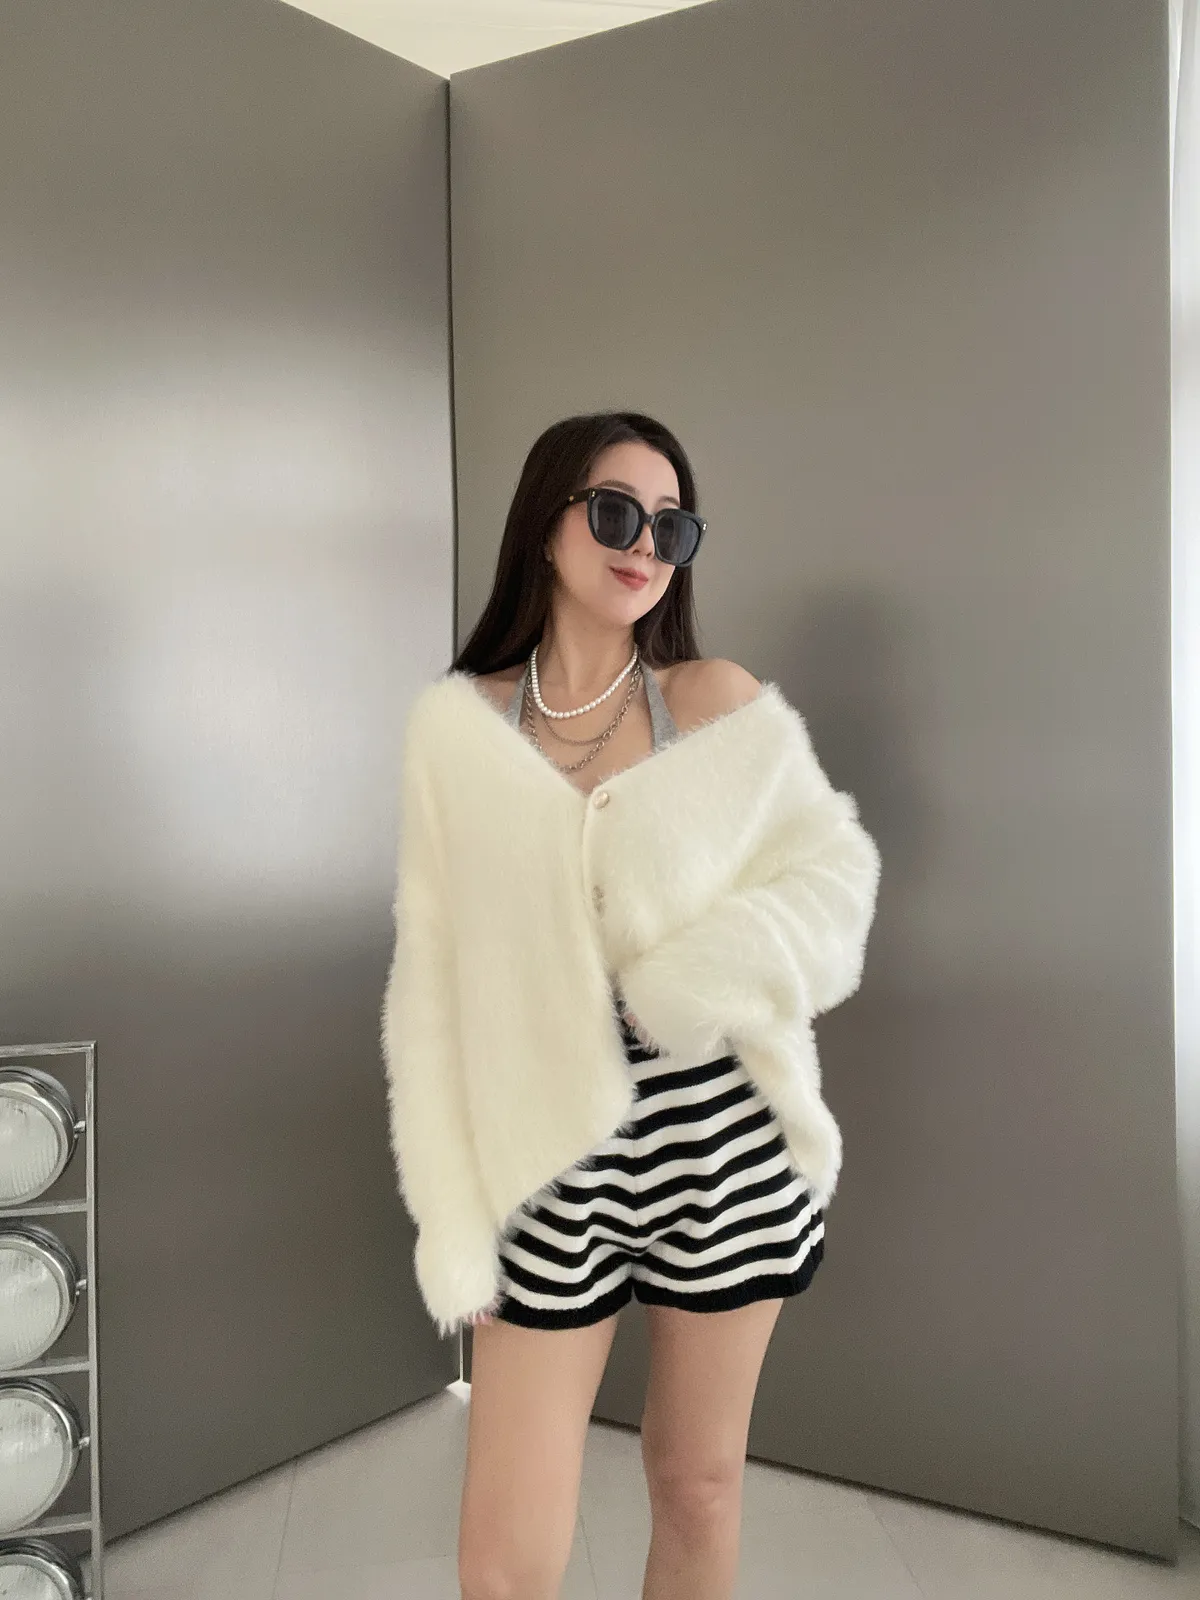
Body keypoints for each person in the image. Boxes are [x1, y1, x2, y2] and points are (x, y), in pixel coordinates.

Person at [380, 410, 881, 1600]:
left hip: (722, 1139)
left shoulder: (713, 700)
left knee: (696, 1483)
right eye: (615, 512)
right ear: (546, 524)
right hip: (544, 1154)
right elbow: (431, 982)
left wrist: (686, 986)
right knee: (505, 1560)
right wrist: (453, 1211)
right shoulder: (460, 726)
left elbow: (835, 884)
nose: (644, 543)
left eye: (671, 524)